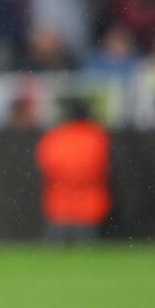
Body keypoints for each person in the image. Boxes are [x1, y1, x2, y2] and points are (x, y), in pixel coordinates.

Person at [35, 98, 111, 242]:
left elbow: (46, 169)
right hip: (90, 205)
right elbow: (104, 169)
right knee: (89, 257)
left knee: (54, 256)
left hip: (59, 204)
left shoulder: (55, 137)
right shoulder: (97, 137)